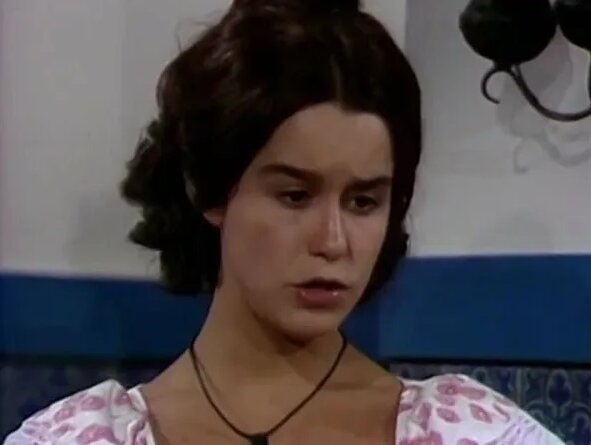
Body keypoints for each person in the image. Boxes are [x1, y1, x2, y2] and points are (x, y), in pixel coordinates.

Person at [4, 0, 565, 444]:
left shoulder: (471, 433)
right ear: (209, 189)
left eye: (363, 202)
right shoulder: (78, 437)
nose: (333, 242)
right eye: (295, 196)